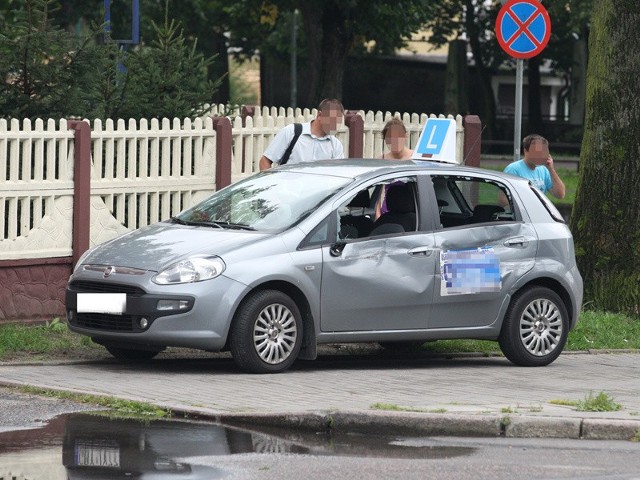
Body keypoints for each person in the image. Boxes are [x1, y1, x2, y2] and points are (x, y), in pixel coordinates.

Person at [259, 98, 345, 170]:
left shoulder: (336, 145)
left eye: (338, 121)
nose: (335, 125)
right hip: (287, 188)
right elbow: (265, 161)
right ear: (320, 115)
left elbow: (337, 174)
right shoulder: (292, 132)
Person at [504, 134, 566, 199]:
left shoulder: (544, 170)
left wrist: (551, 169)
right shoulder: (513, 169)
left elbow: (560, 194)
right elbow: (504, 200)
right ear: (525, 151)